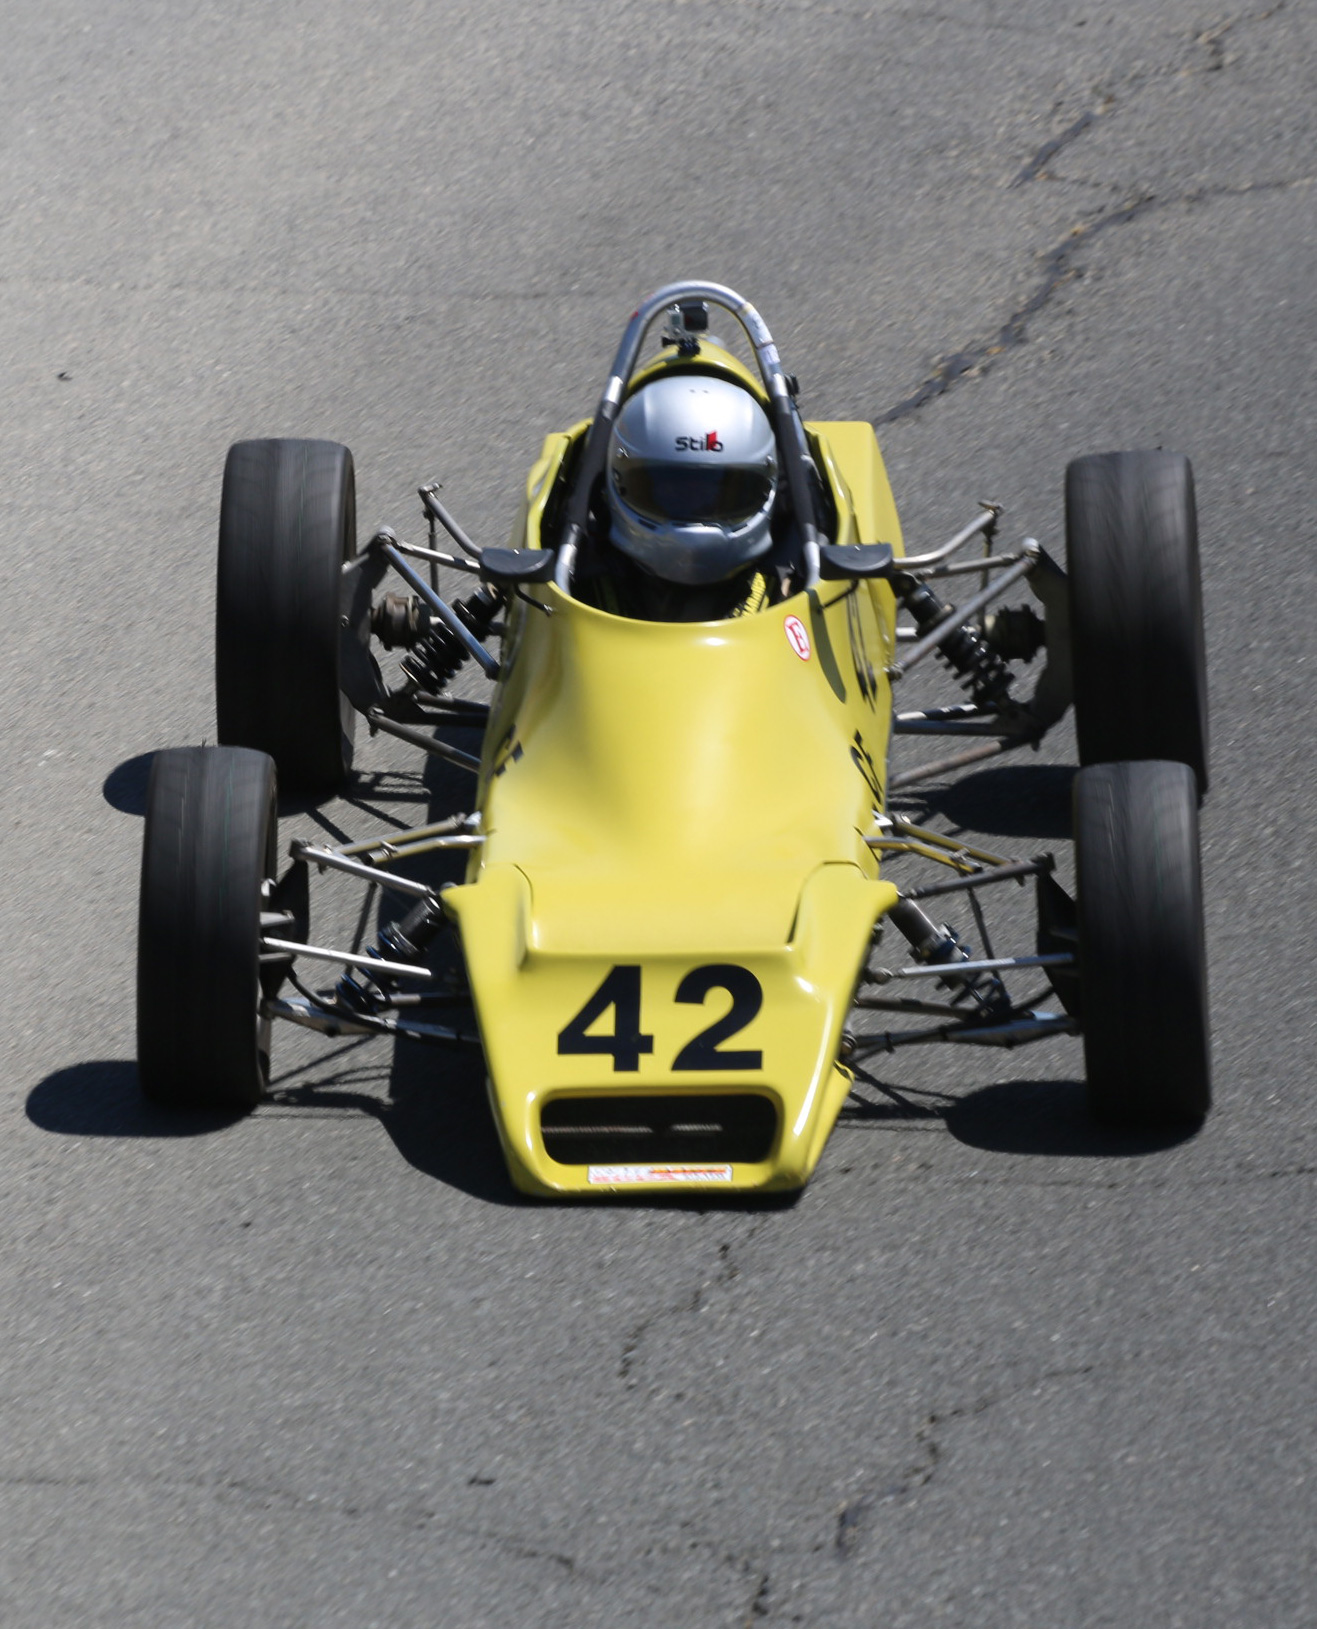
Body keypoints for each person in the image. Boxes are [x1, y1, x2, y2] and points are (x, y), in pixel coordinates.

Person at [574, 372, 790, 621]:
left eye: (716, 493)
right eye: (672, 491)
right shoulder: (584, 569)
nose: (696, 505)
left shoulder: (789, 573)